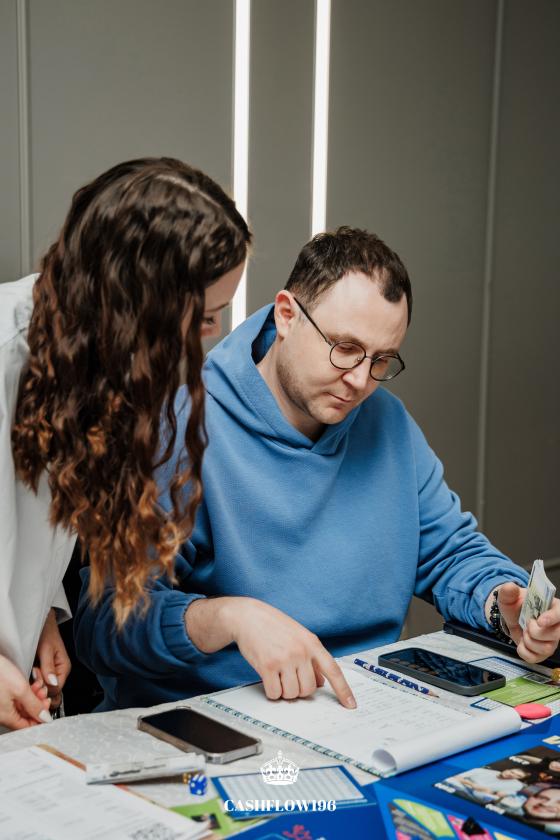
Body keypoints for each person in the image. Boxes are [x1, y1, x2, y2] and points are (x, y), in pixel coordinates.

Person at [76, 226, 560, 712]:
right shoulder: (179, 427)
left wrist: (504, 605)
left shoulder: (387, 423)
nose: (359, 381)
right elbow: (105, 623)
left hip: (363, 705)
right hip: (209, 716)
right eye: (344, 348)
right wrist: (228, 618)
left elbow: (452, 553)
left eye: (381, 360)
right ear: (286, 315)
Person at [0, 157, 251, 730]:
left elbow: (26, 531)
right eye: (204, 315)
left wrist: (39, 615)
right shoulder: (5, 353)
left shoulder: (99, 364)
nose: (212, 334)